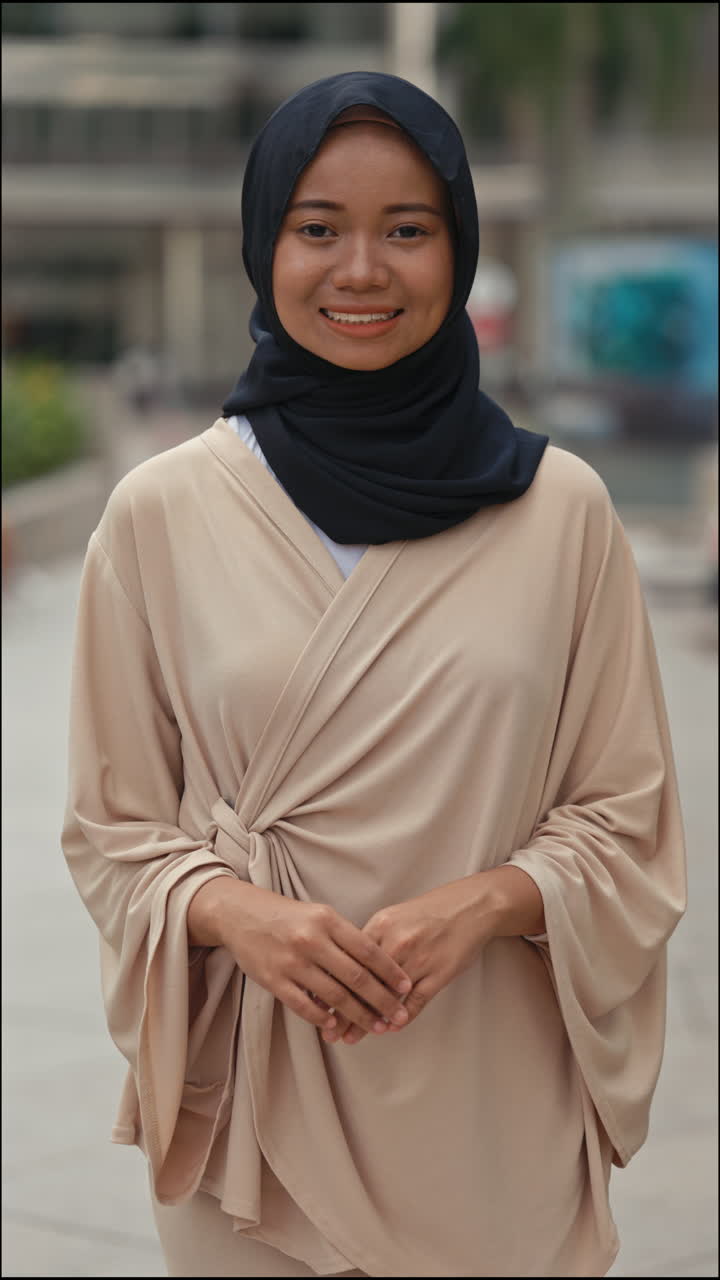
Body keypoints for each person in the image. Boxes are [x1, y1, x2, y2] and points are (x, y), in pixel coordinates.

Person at [61, 72, 687, 1278]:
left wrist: (488, 900)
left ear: (458, 248)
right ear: (263, 245)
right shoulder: (162, 512)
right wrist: (242, 915)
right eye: (317, 228)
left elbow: (629, 817)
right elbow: (110, 827)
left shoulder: (564, 515)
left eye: (408, 228)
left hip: (491, 1107)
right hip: (255, 1116)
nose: (362, 268)